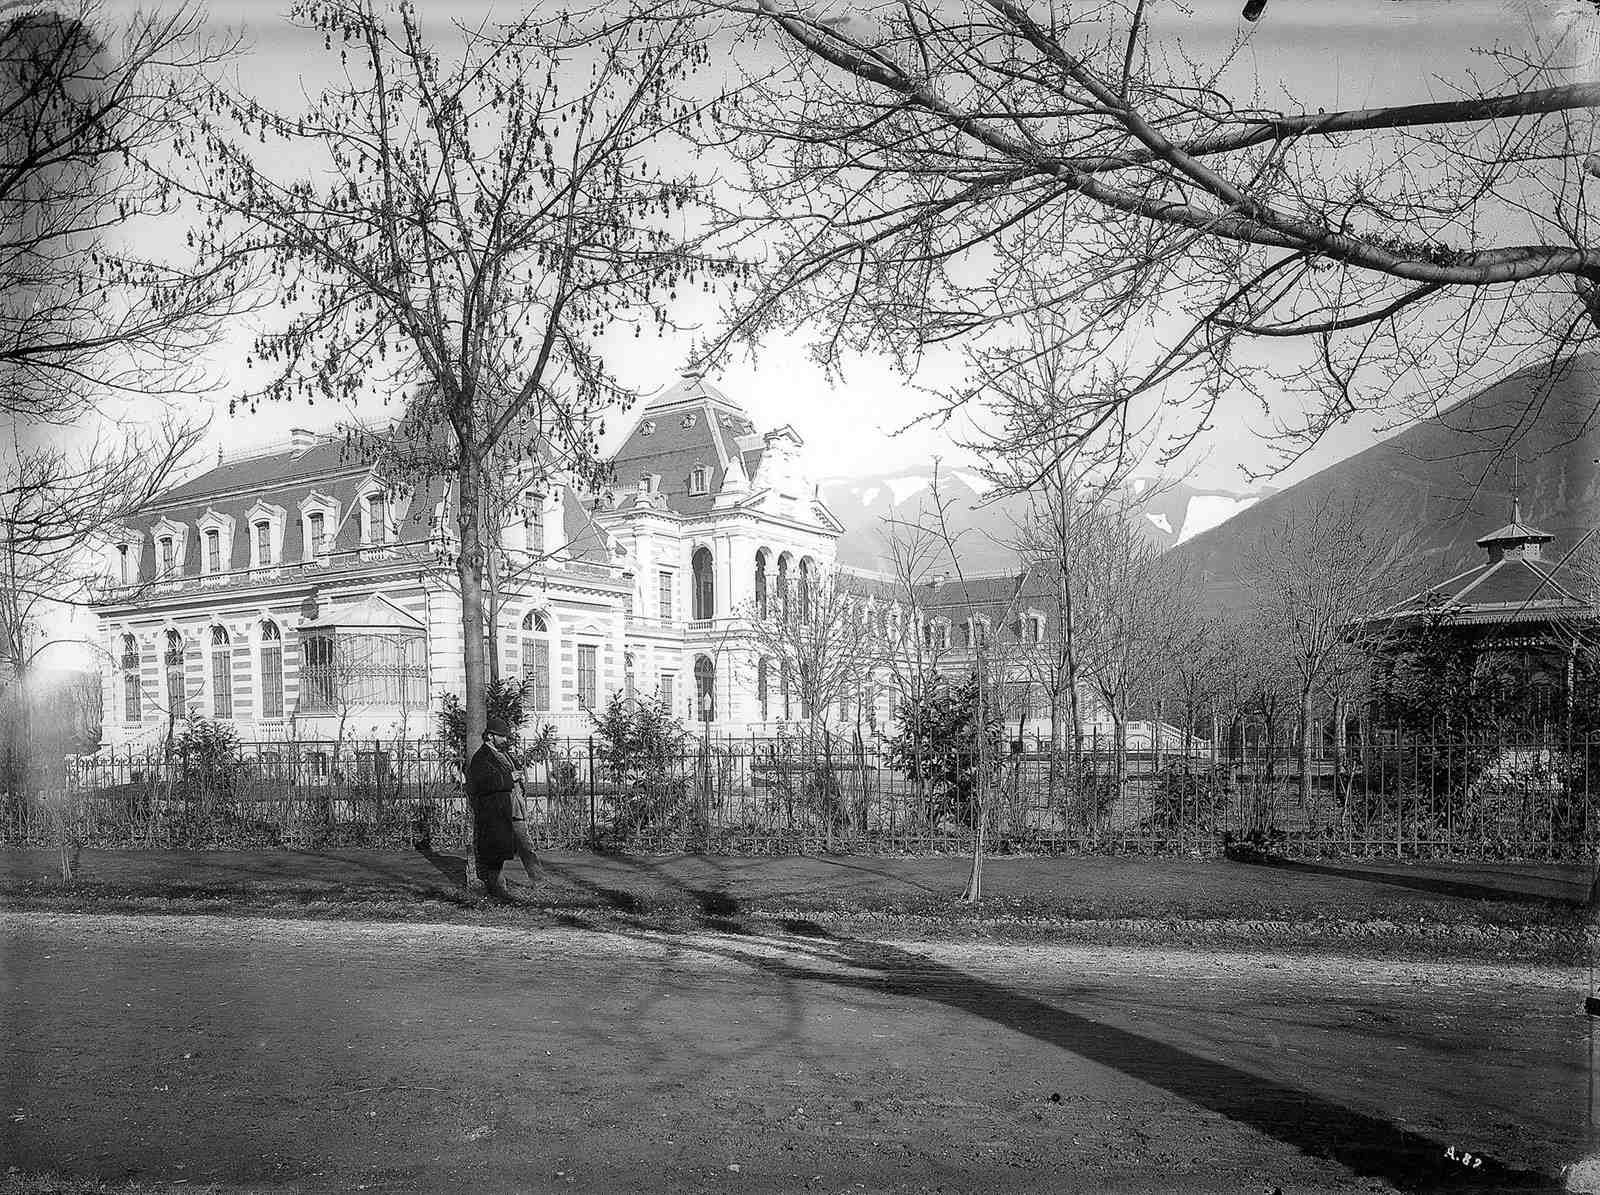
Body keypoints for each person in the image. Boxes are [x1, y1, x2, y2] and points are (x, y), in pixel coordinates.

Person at [465, 716, 522, 901]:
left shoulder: (500, 755)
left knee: (500, 852)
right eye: (501, 736)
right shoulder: (481, 757)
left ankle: (498, 887)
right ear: (490, 736)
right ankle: (496, 889)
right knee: (494, 852)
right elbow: (482, 783)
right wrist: (509, 778)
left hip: (501, 810)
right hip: (491, 812)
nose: (505, 739)